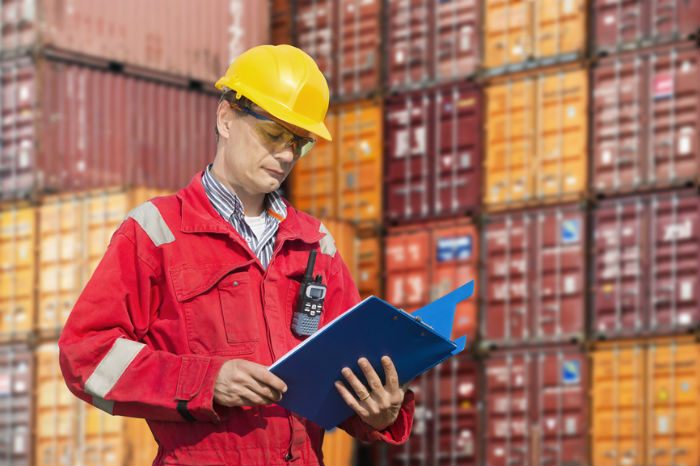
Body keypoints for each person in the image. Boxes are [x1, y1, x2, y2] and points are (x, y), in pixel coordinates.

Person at [58, 44, 414, 466]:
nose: (286, 155)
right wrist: (206, 382)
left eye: (299, 142)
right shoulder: (156, 232)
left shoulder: (316, 243)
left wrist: (380, 411)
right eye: (274, 134)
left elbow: (347, 374)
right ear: (226, 118)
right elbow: (86, 355)